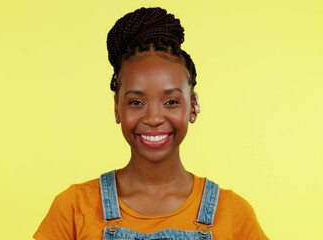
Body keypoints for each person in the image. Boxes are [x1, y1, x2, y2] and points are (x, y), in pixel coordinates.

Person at [34, 7, 268, 240]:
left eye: (171, 101)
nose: (154, 118)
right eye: (136, 102)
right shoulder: (74, 209)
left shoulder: (232, 214)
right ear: (117, 107)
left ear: (193, 106)